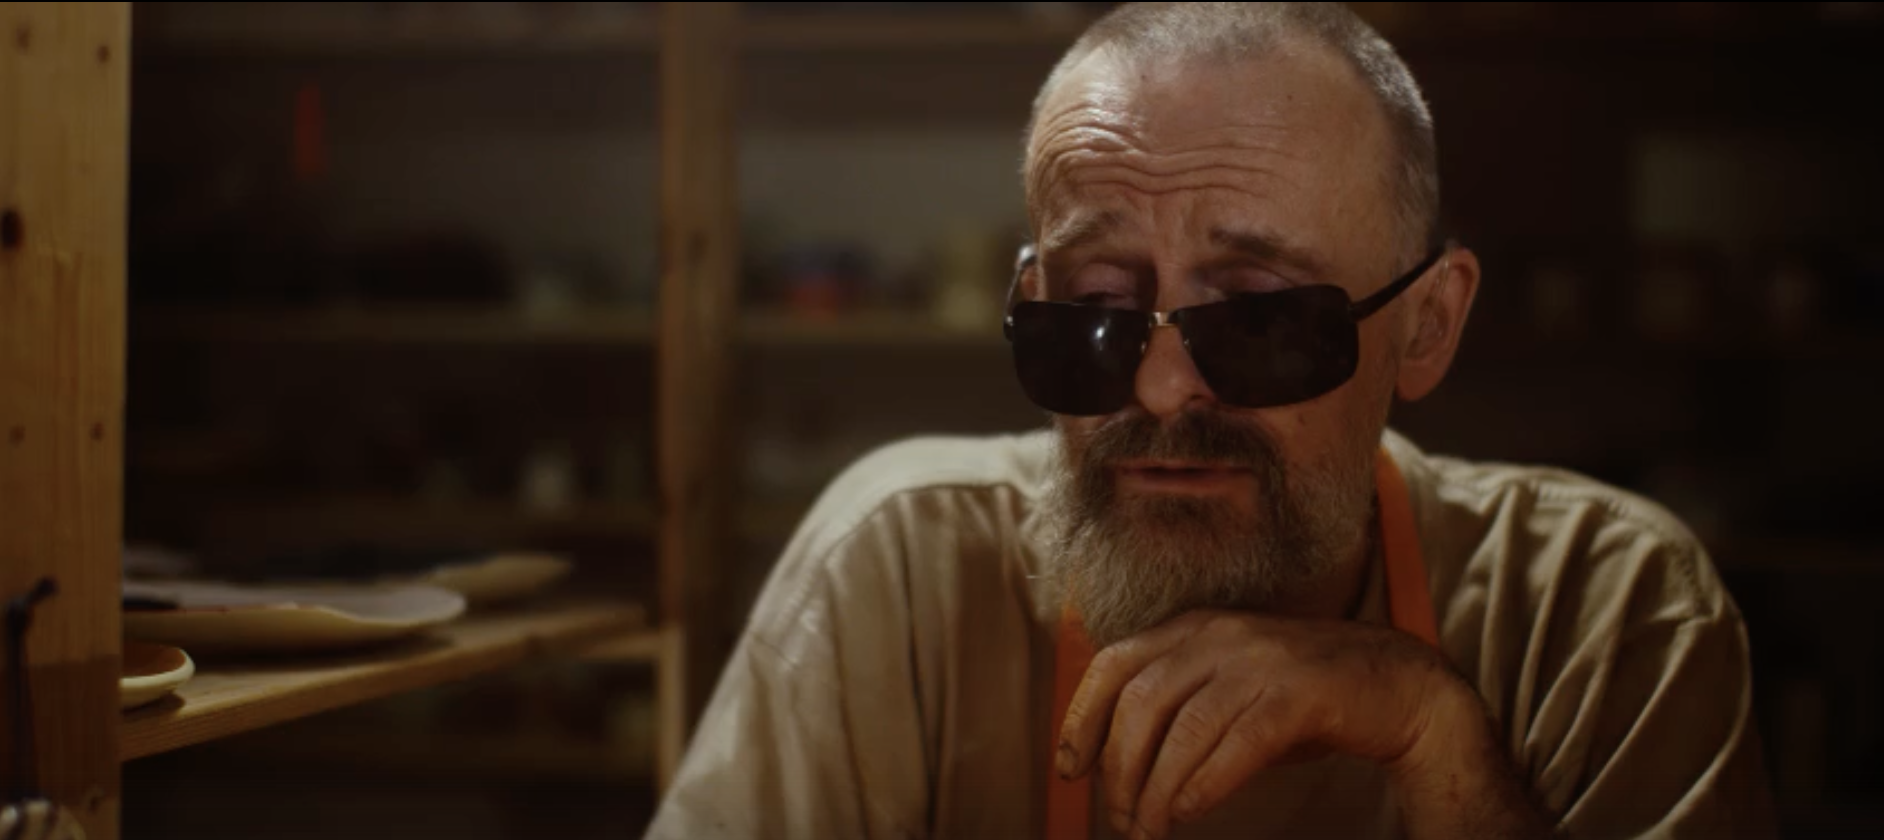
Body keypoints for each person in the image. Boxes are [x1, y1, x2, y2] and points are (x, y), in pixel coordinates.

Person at [646, 4, 1775, 838]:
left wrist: (1431, 734)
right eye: (1096, 311)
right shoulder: (906, 572)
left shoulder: (1599, 608)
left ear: (1426, 326)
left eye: (1256, 321)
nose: (1157, 389)